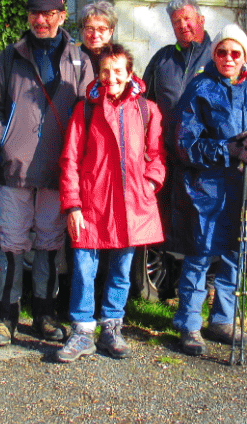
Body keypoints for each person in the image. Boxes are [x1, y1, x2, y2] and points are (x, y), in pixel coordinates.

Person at [0, 0, 94, 346]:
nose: (40, 20)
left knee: (49, 242)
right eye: (34, 14)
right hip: (16, 168)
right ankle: (5, 317)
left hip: (59, 170)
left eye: (48, 14)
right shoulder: (11, 56)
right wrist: (3, 139)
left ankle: (45, 314)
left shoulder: (80, 60)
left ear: (62, 16)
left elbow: (90, 112)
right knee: (11, 242)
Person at [172, 24, 247, 355]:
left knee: (234, 256)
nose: (228, 58)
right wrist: (226, 149)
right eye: (222, 52)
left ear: (245, 57)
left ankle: (223, 320)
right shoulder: (200, 89)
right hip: (205, 191)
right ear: (214, 54)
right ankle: (189, 324)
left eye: (235, 53)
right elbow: (184, 144)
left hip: (243, 190)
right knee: (199, 257)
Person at [56, 44, 165, 362]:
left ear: (130, 74)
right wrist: (72, 206)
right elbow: (70, 159)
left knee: (121, 271)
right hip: (91, 205)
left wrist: (149, 184)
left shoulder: (147, 110)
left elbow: (156, 155)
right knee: (83, 270)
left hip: (131, 205)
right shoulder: (85, 109)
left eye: (118, 71)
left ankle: (111, 328)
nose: (111, 77)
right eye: (105, 70)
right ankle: (82, 331)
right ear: (98, 74)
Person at [143, 0, 215, 256]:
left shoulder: (218, 56)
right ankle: (168, 280)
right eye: (176, 22)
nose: (183, 25)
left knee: (202, 222)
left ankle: (208, 282)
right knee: (165, 220)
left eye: (187, 19)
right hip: (167, 157)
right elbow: (144, 106)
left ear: (201, 20)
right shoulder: (162, 59)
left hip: (205, 159)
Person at [77, 0, 117, 73]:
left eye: (102, 29)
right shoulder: (71, 58)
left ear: (111, 32)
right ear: (82, 30)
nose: (95, 35)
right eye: (89, 28)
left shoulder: (119, 59)